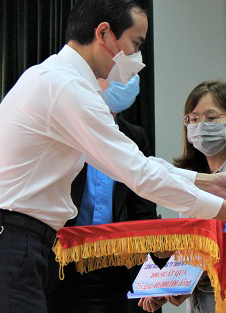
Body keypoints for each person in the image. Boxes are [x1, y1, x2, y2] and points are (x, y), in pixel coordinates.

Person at [0, 0, 226, 313]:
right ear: (104, 34)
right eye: (135, 44)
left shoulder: (54, 78)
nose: (136, 58)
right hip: (10, 240)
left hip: (11, 242)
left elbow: (131, 162)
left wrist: (205, 181)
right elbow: (138, 173)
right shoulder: (67, 88)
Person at [138, 81, 226, 313]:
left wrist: (187, 276)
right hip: (197, 303)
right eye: (193, 119)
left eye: (211, 118)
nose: (200, 125)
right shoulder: (196, 181)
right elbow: (189, 244)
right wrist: (165, 284)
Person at [46, 75, 161, 313]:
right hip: (62, 265)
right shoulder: (67, 129)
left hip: (116, 267)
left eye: (130, 77)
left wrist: (159, 270)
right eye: (116, 76)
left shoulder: (134, 136)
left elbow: (144, 212)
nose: (125, 82)